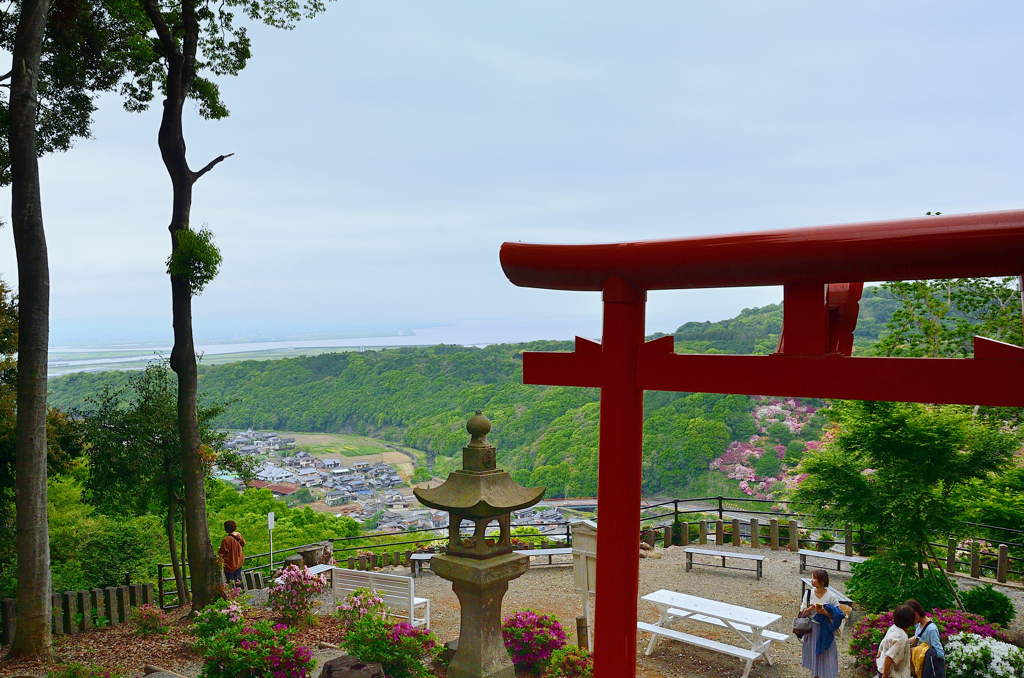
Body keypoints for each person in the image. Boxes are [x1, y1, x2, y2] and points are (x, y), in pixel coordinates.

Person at [801, 569, 845, 678]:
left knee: (826, 654)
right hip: (812, 628)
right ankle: (816, 675)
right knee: (814, 654)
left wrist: (824, 612)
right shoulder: (809, 593)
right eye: (812, 577)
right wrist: (809, 609)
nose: (812, 580)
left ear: (822, 581)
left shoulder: (831, 596)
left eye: (815, 578)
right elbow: (802, 612)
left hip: (825, 629)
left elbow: (838, 615)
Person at [906, 599, 946, 678]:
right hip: (921, 666)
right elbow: (918, 637)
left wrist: (918, 650)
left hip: (931, 669)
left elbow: (940, 653)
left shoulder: (931, 629)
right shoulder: (919, 624)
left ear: (916, 615)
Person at [876, 604, 914, 678]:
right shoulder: (902, 638)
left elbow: (883, 643)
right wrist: (885, 675)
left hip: (881, 668)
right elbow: (889, 657)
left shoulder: (893, 628)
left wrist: (878, 657)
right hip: (892, 674)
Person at [218, 520, 246, 586]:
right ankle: (240, 592)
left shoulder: (226, 540)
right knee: (238, 579)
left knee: (230, 581)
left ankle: (233, 594)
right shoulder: (239, 535)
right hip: (239, 560)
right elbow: (243, 543)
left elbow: (222, 553)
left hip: (229, 563)